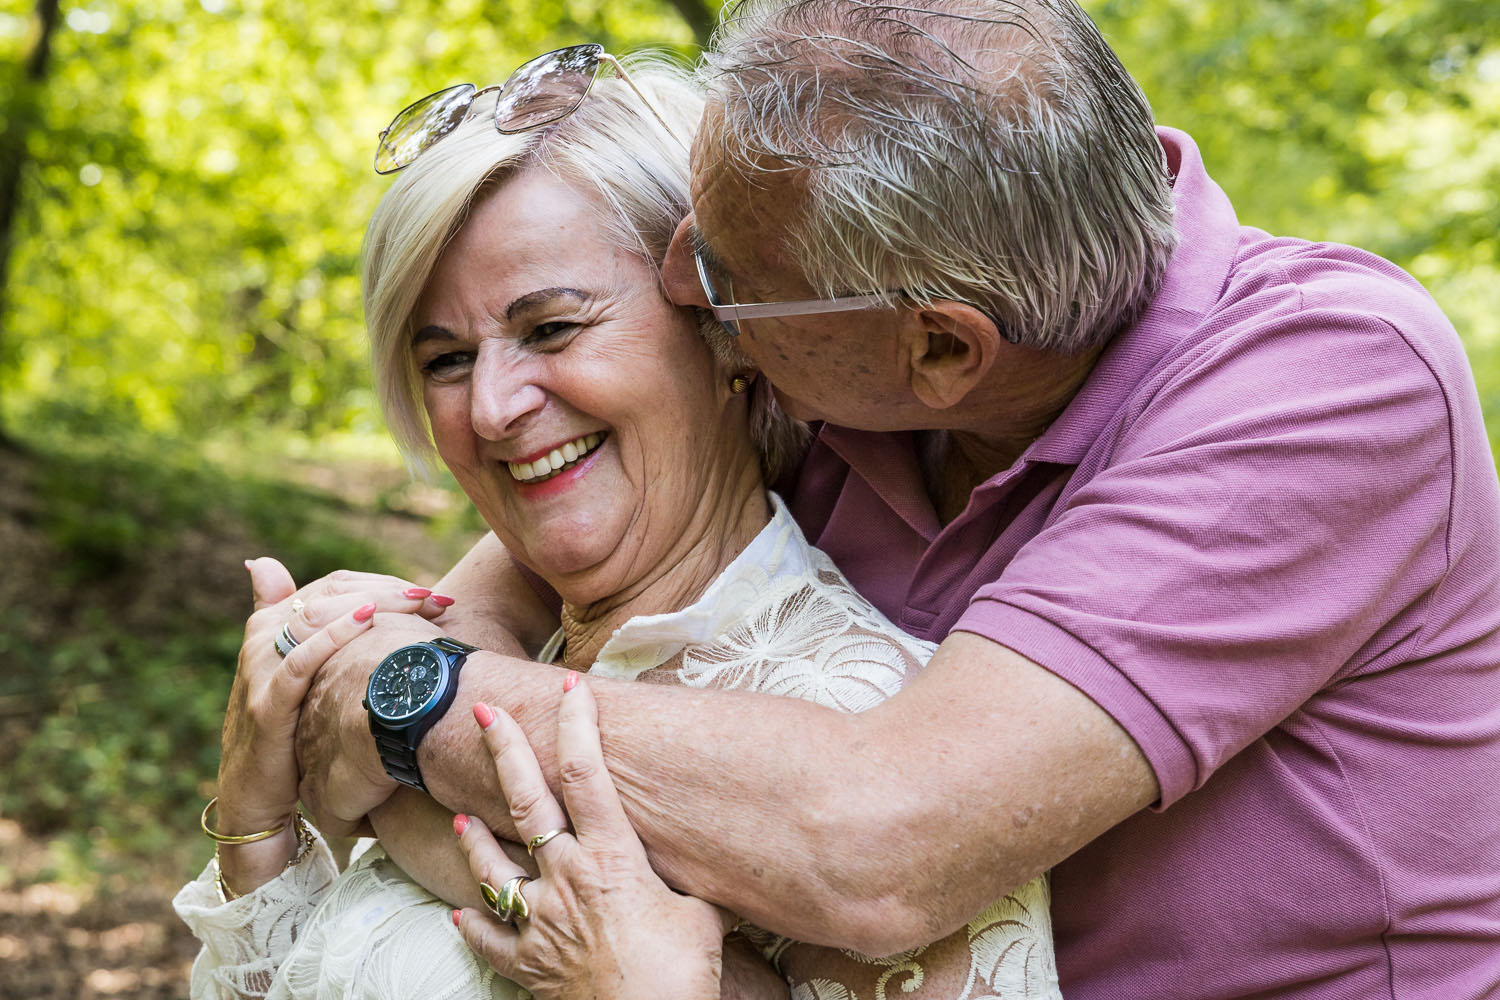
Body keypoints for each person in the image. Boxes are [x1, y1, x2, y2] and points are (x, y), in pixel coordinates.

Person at [287, 0, 1500, 997]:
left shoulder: (1329, 383)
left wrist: (420, 703)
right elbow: (555, 523)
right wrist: (445, 627)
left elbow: (877, 844)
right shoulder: (854, 347)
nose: (679, 290)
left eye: (722, 277)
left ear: (941, 350)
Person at [174, 51, 1064, 999]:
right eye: (444, 360)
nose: (490, 408)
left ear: (727, 331)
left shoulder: (863, 725)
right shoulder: (444, 667)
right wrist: (257, 820)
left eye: (552, 328)